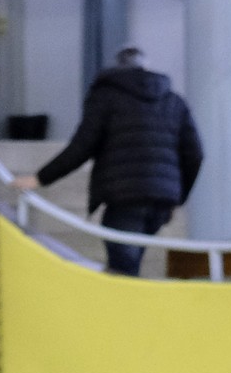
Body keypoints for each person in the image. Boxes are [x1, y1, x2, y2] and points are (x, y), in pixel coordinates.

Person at [13, 46, 203, 277]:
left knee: (122, 270)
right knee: (129, 266)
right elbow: (195, 154)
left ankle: (127, 299)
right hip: (161, 200)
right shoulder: (174, 101)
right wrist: (176, 196)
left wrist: (39, 178)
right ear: (146, 67)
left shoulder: (105, 97)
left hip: (124, 195)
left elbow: (82, 146)